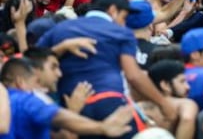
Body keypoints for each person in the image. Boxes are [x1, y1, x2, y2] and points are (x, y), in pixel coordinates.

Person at [37, 0, 176, 138]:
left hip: (70, 110)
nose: (124, 23)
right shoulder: (121, 33)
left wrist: (60, 49)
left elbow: (31, 62)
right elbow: (133, 75)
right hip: (109, 103)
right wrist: (163, 103)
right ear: (113, 10)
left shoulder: (60, 28)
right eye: (124, 17)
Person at [0, 58, 134, 139]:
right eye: (35, 82)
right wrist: (101, 127)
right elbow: (58, 117)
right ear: (20, 82)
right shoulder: (22, 100)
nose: (37, 88)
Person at [146, 60, 198, 139]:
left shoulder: (141, 106)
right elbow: (187, 119)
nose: (188, 87)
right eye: (182, 81)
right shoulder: (185, 103)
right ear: (165, 85)